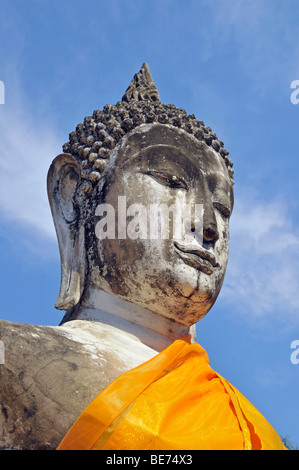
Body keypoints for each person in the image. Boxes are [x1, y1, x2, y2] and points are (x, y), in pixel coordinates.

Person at [0, 64, 285, 450]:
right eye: (170, 181)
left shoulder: (241, 420)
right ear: (74, 197)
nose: (208, 224)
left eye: (221, 207)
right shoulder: (12, 359)